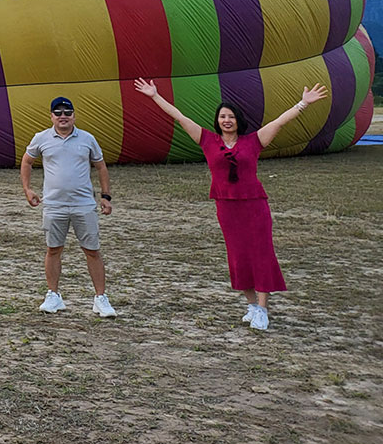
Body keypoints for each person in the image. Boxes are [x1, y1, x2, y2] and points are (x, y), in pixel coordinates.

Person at [133, 78, 328, 330]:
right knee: (238, 257)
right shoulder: (206, 140)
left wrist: (303, 103)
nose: (227, 120)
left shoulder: (254, 141)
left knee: (260, 253)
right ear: (217, 120)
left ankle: (263, 308)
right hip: (227, 207)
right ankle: (252, 306)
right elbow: (179, 117)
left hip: (254, 205)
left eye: (231, 117)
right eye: (223, 116)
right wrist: (154, 96)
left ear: (238, 121)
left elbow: (279, 121)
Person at [21, 97, 117, 318]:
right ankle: (53, 295)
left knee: (92, 250)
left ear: (74, 115)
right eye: (58, 113)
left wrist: (105, 196)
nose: (63, 116)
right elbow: (27, 161)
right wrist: (28, 189)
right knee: (53, 249)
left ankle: (100, 298)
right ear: (51, 116)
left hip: (83, 204)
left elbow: (100, 165)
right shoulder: (41, 138)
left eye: (67, 112)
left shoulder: (87, 139)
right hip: (54, 205)